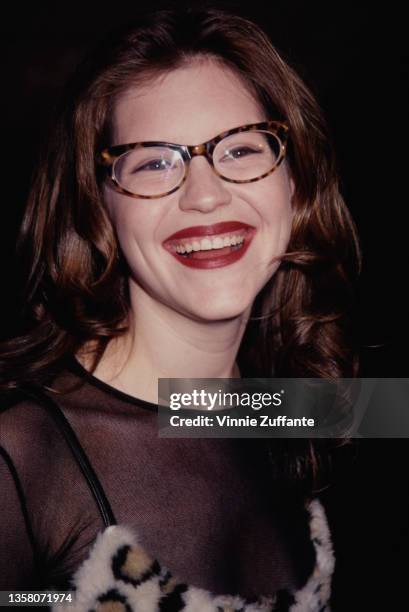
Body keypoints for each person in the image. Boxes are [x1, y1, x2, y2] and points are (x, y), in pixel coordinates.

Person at [0, 6, 360, 610]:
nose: (205, 194)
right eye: (154, 163)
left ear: (295, 182)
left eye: (243, 150)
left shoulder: (296, 409)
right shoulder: (20, 453)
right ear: (99, 209)